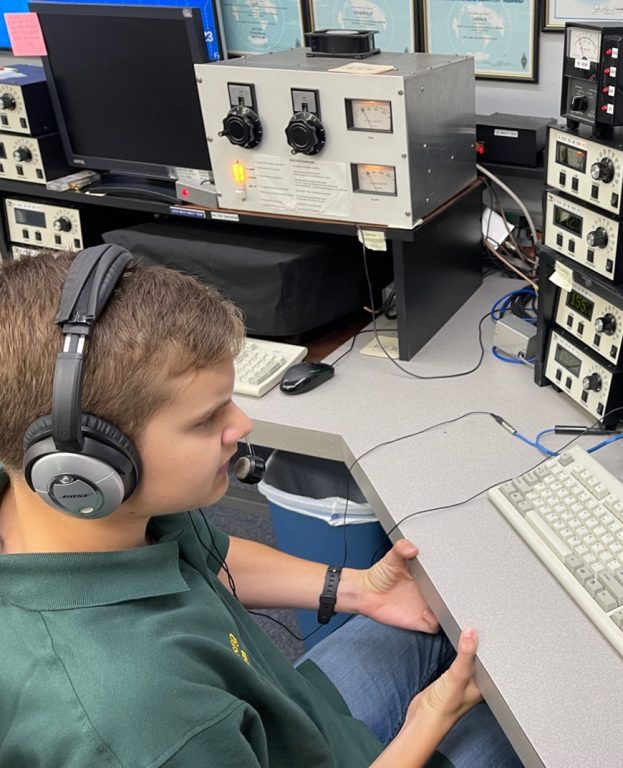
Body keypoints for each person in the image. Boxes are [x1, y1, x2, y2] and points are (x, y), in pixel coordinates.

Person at [0, 247, 522, 767]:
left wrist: (360, 589)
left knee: (464, 624)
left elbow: (209, 555)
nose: (242, 425)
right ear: (87, 462)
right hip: (234, 734)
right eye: (207, 420)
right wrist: (428, 719)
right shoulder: (140, 722)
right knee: (526, 718)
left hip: (281, 719)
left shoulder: (79, 511)